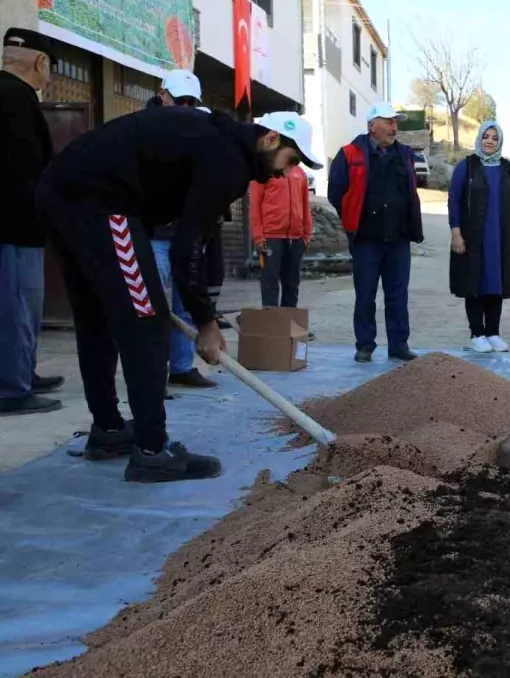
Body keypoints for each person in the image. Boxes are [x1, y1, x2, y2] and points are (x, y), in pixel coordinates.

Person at [36, 107, 321, 482]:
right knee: (147, 322)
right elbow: (186, 249)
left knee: (98, 317)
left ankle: (108, 431)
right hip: (99, 201)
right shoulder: (228, 160)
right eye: (291, 159)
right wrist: (205, 321)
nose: (287, 171)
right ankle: (152, 452)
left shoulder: (217, 143)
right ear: (270, 139)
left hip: (64, 193)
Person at [0, 28, 64, 415]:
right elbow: (28, 171)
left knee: (10, 308)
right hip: (14, 229)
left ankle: (21, 372)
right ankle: (10, 391)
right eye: (49, 67)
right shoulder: (19, 101)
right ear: (40, 62)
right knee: (14, 309)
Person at [328, 102, 423, 363]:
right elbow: (336, 193)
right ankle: (365, 345)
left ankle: (399, 345)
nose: (395, 126)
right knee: (365, 294)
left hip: (398, 239)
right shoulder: (349, 154)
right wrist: (352, 220)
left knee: (397, 295)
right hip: (366, 241)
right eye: (389, 121)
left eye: (395, 122)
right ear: (372, 126)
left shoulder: (405, 154)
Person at [146, 79, 217, 390]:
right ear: (163, 95)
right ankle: (152, 374)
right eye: (180, 100)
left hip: (185, 233)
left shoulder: (195, 133)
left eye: (191, 102)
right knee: (154, 308)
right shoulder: (144, 131)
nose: (186, 108)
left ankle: (182, 366)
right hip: (153, 234)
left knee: (185, 304)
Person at [448, 122, 510, 353]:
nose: (489, 141)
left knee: (496, 283)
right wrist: (456, 233)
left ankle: (493, 332)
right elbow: (454, 200)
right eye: (486, 137)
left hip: (500, 238)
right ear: (479, 139)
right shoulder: (467, 167)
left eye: (494, 137)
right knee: (475, 283)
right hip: (472, 237)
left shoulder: (508, 168)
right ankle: (476, 334)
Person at [250, 159, 312, 308]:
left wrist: (306, 235)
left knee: (292, 285)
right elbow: (254, 205)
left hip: (296, 239)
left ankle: (289, 328)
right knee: (270, 284)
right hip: (270, 238)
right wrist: (258, 237)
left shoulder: (300, 172)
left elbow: (305, 204)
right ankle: (272, 327)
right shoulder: (264, 170)